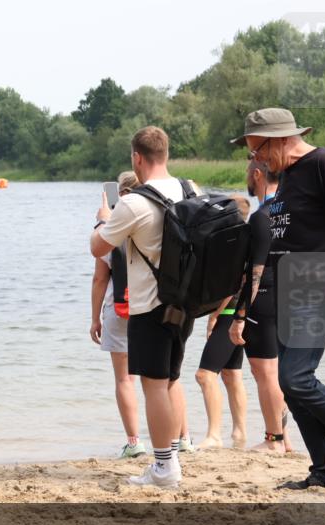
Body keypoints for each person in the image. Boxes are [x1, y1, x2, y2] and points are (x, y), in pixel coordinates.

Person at [231, 108, 325, 489]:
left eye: (258, 150)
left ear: (281, 138)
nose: (257, 161)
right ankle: (324, 470)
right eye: (253, 154)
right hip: (287, 289)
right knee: (289, 383)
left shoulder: (324, 164)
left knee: (296, 378)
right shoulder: (290, 175)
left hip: (316, 282)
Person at [90, 126, 194, 488]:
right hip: (185, 305)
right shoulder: (189, 189)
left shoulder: (133, 203)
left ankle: (164, 467)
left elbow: (98, 248)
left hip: (149, 306)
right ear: (165, 154)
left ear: (136, 158)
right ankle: (175, 456)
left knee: (153, 386)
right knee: (171, 382)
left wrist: (104, 217)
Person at [229, 160, 293, 453]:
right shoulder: (290, 211)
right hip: (291, 295)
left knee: (264, 371)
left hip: (264, 296)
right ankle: (285, 437)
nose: (247, 178)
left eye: (248, 173)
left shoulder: (262, 216)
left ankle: (274, 439)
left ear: (257, 174)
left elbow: (254, 272)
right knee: (278, 371)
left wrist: (239, 315)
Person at [90, 171, 144, 458]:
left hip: (121, 309)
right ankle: (181, 438)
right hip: (154, 307)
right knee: (166, 378)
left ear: (119, 196)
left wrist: (94, 318)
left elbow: (100, 279)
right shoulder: (154, 218)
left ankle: (134, 443)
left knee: (125, 380)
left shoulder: (110, 229)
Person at [193, 195, 251, 451]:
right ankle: (239, 434)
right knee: (231, 374)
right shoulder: (249, 237)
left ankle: (214, 435)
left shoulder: (234, 241)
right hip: (242, 312)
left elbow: (234, 281)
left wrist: (215, 314)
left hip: (230, 313)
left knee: (205, 375)